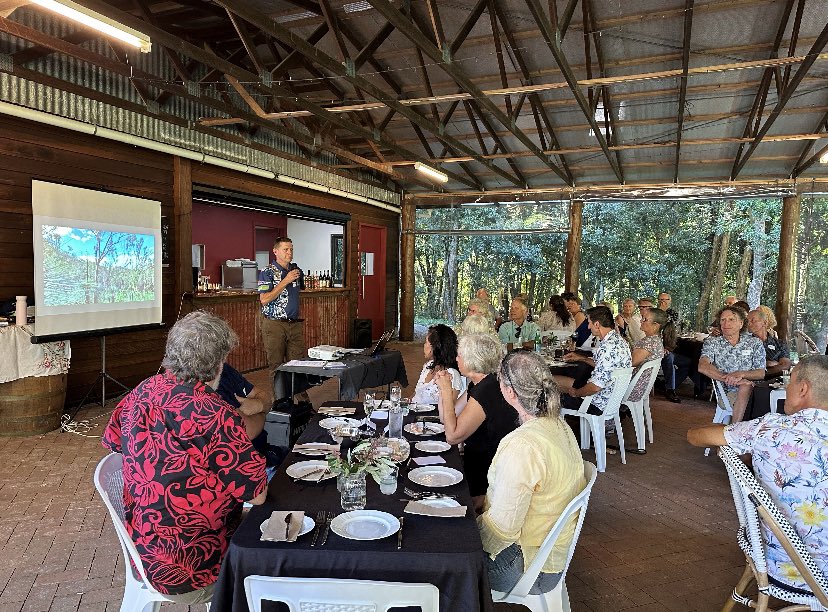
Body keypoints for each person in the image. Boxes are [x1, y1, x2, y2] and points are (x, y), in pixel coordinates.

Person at [102, 311, 267, 602]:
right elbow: (257, 495)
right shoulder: (214, 413)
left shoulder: (141, 391)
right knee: (280, 542)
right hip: (197, 569)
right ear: (217, 364)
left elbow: (114, 441)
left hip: (146, 551)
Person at [687, 355, 828, 594]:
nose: (786, 388)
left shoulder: (770, 429)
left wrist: (735, 435)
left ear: (803, 389)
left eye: (790, 382)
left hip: (783, 565)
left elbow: (695, 436)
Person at [479, 349, 586, 595]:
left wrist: (466, 528)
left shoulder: (523, 446)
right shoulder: (558, 424)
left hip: (528, 567)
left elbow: (503, 531)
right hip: (551, 556)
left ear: (509, 392)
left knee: (447, 555)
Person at [435, 333, 517, 505]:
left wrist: (445, 391)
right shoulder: (480, 383)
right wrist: (443, 389)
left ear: (473, 360)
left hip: (487, 474)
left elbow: (453, 435)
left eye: (460, 355)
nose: (456, 358)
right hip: (476, 462)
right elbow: (446, 418)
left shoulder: (488, 389)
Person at [257, 237, 308, 405]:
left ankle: (303, 404)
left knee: (299, 365)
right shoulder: (267, 271)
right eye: (286, 249)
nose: (290, 253)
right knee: (277, 366)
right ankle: (280, 404)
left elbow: (301, 289)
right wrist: (285, 281)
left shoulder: (296, 270)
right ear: (275, 251)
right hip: (274, 324)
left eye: (291, 249)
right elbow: (264, 299)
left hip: (294, 324)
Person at [556, 306, 632, 414]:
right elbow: (604, 366)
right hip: (610, 399)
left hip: (595, 403)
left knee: (548, 397)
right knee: (553, 381)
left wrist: (576, 393)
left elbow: (595, 388)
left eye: (589, 323)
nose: (588, 327)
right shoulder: (619, 341)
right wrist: (582, 358)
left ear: (597, 324)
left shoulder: (606, 348)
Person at [697, 305, 766, 422]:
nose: (725, 323)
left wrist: (741, 374)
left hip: (756, 390)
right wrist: (728, 378)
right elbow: (703, 366)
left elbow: (761, 373)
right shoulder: (713, 343)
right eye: (723, 320)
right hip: (727, 393)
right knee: (745, 386)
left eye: (731, 319)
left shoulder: (754, 343)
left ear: (741, 323)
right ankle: (735, 431)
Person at [411, 324, 466, 407]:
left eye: (426, 343)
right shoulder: (428, 366)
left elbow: (450, 409)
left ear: (436, 347)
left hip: (429, 417)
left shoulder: (451, 374)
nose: (424, 346)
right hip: (413, 412)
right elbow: (417, 394)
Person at [627, 308, 673, 403]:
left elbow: (629, 364)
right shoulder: (657, 340)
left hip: (633, 389)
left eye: (645, 319)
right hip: (642, 388)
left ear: (655, 326)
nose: (641, 321)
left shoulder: (647, 342)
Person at [657, 292, 690, 403]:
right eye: (661, 299)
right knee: (669, 357)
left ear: (670, 301)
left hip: (669, 347)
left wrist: (668, 347)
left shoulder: (673, 314)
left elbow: (674, 329)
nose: (663, 302)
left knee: (688, 363)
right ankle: (670, 390)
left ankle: (668, 386)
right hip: (657, 349)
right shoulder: (654, 314)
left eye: (665, 300)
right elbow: (655, 332)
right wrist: (660, 312)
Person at [747, 306, 792, 378]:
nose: (749, 323)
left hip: (775, 384)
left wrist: (761, 372)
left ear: (764, 323)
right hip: (751, 383)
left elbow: (785, 366)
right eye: (747, 321)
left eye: (752, 320)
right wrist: (771, 364)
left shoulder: (779, 344)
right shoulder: (745, 344)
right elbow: (744, 366)